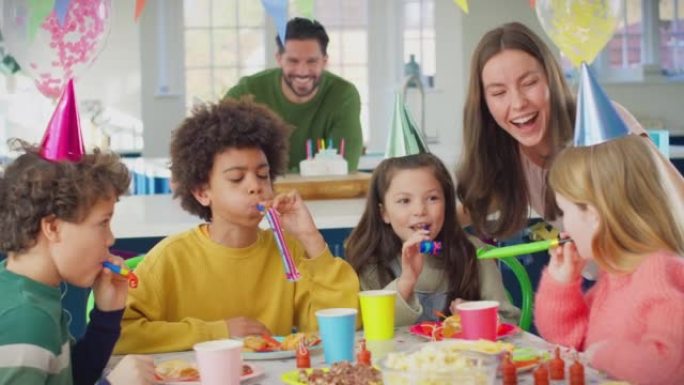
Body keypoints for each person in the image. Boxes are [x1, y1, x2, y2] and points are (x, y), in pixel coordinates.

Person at [115, 98, 359, 354]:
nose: (256, 185)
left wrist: (311, 239)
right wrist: (217, 332)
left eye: (263, 175)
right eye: (236, 178)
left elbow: (340, 324)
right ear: (202, 192)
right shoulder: (170, 259)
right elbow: (120, 335)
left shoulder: (289, 252)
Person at [455, 22, 684, 240]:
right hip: (600, 279)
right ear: (484, 103)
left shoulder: (599, 118)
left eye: (529, 83)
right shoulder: (508, 155)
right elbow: (474, 209)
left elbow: (676, 197)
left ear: (551, 78)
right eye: (498, 93)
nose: (518, 103)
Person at [0, 141, 155, 385]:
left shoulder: (31, 291)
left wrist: (107, 316)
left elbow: (72, 378)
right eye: (103, 223)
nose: (111, 238)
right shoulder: (25, 319)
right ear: (52, 227)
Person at [535, 135, 684, 385]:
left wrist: (603, 354)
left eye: (565, 211)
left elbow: (670, 366)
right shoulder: (616, 275)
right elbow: (570, 344)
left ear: (593, 215)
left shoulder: (659, 272)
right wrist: (562, 285)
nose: (564, 224)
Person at [345, 153, 519, 326]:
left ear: (447, 204)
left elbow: (510, 322)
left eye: (432, 198)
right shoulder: (370, 262)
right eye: (404, 200)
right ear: (384, 213)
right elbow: (370, 328)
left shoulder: (474, 253)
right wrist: (407, 281)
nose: (420, 210)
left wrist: (476, 316)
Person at [225, 17, 363, 173]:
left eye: (312, 61)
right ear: (279, 59)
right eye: (293, 61)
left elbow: (345, 168)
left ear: (324, 61)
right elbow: (221, 156)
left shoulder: (343, 96)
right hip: (261, 194)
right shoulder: (246, 91)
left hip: (322, 195)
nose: (302, 71)